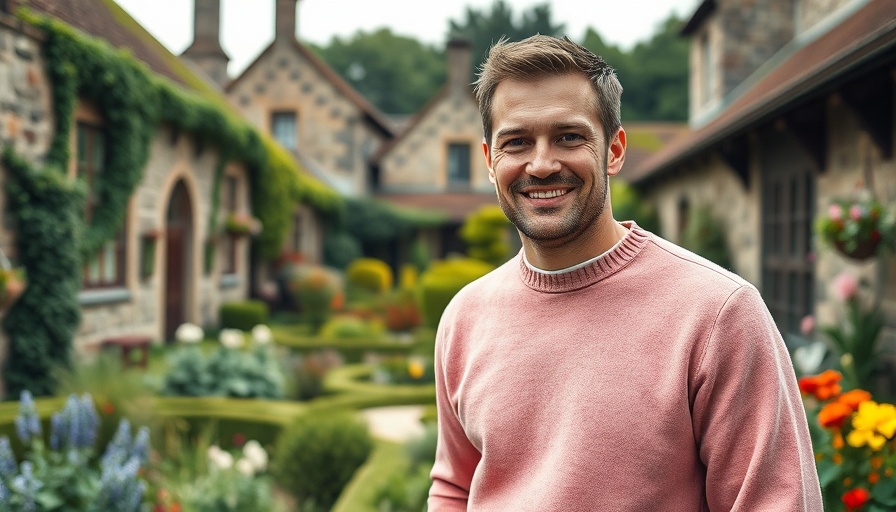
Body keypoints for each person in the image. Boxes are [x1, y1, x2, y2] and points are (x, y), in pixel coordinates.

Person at [427, 35, 822, 511]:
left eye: (569, 137)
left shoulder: (718, 314)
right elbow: (454, 486)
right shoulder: (464, 318)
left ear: (614, 150)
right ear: (491, 162)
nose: (542, 163)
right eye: (517, 142)